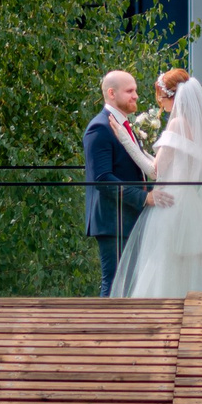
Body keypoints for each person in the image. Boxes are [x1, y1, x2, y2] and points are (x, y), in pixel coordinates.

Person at [109, 69, 202, 299]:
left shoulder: (177, 124)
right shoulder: (200, 129)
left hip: (171, 205)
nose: (160, 104)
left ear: (171, 96)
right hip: (192, 206)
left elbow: (155, 171)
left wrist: (125, 139)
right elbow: (171, 168)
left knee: (164, 269)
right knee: (192, 270)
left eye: (160, 98)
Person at [83, 69, 154, 297]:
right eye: (130, 91)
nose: (136, 96)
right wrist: (144, 198)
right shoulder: (100, 128)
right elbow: (102, 179)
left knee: (130, 285)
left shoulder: (122, 126)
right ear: (111, 93)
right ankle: (106, 331)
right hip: (114, 221)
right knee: (115, 284)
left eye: (136, 90)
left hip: (128, 218)